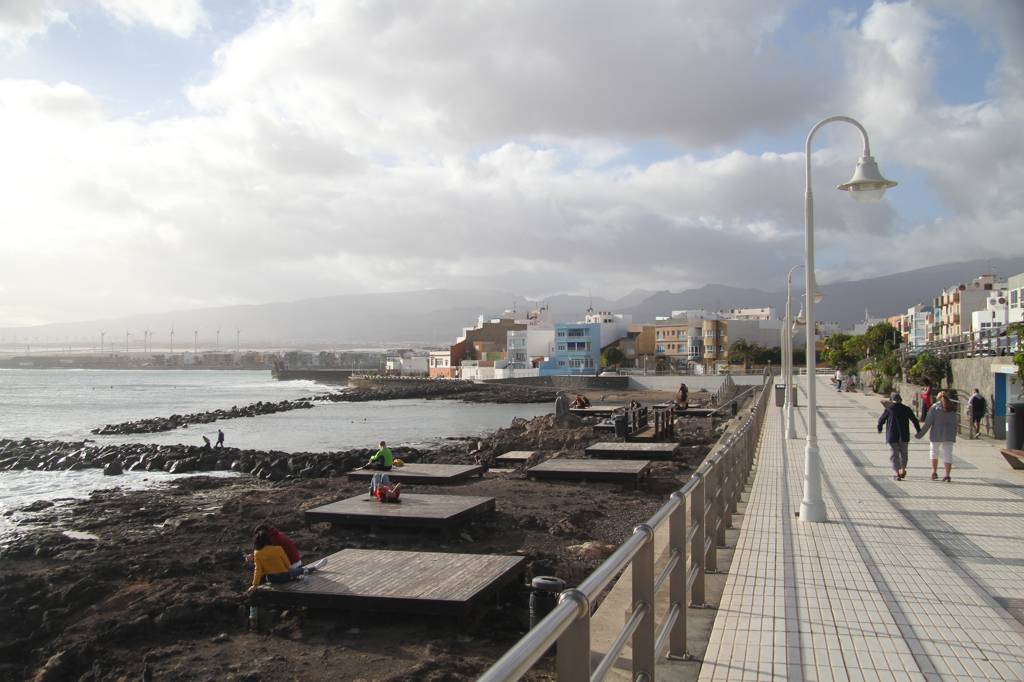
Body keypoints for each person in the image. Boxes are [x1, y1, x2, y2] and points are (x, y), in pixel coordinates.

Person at [915, 391, 958, 482]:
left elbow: (928, 423)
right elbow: (955, 423)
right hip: (949, 435)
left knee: (934, 452)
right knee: (948, 454)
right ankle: (947, 475)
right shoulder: (952, 407)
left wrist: (919, 435)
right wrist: (954, 434)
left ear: (938, 398)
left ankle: (934, 472)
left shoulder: (934, 408)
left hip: (936, 434)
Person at [877, 393, 920, 481]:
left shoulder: (889, 409)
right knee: (904, 454)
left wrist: (879, 428)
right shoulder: (906, 409)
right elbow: (914, 420)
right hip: (904, 435)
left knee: (894, 454)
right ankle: (903, 470)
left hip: (893, 435)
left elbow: (881, 419)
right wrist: (918, 430)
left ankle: (897, 473)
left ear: (892, 400)